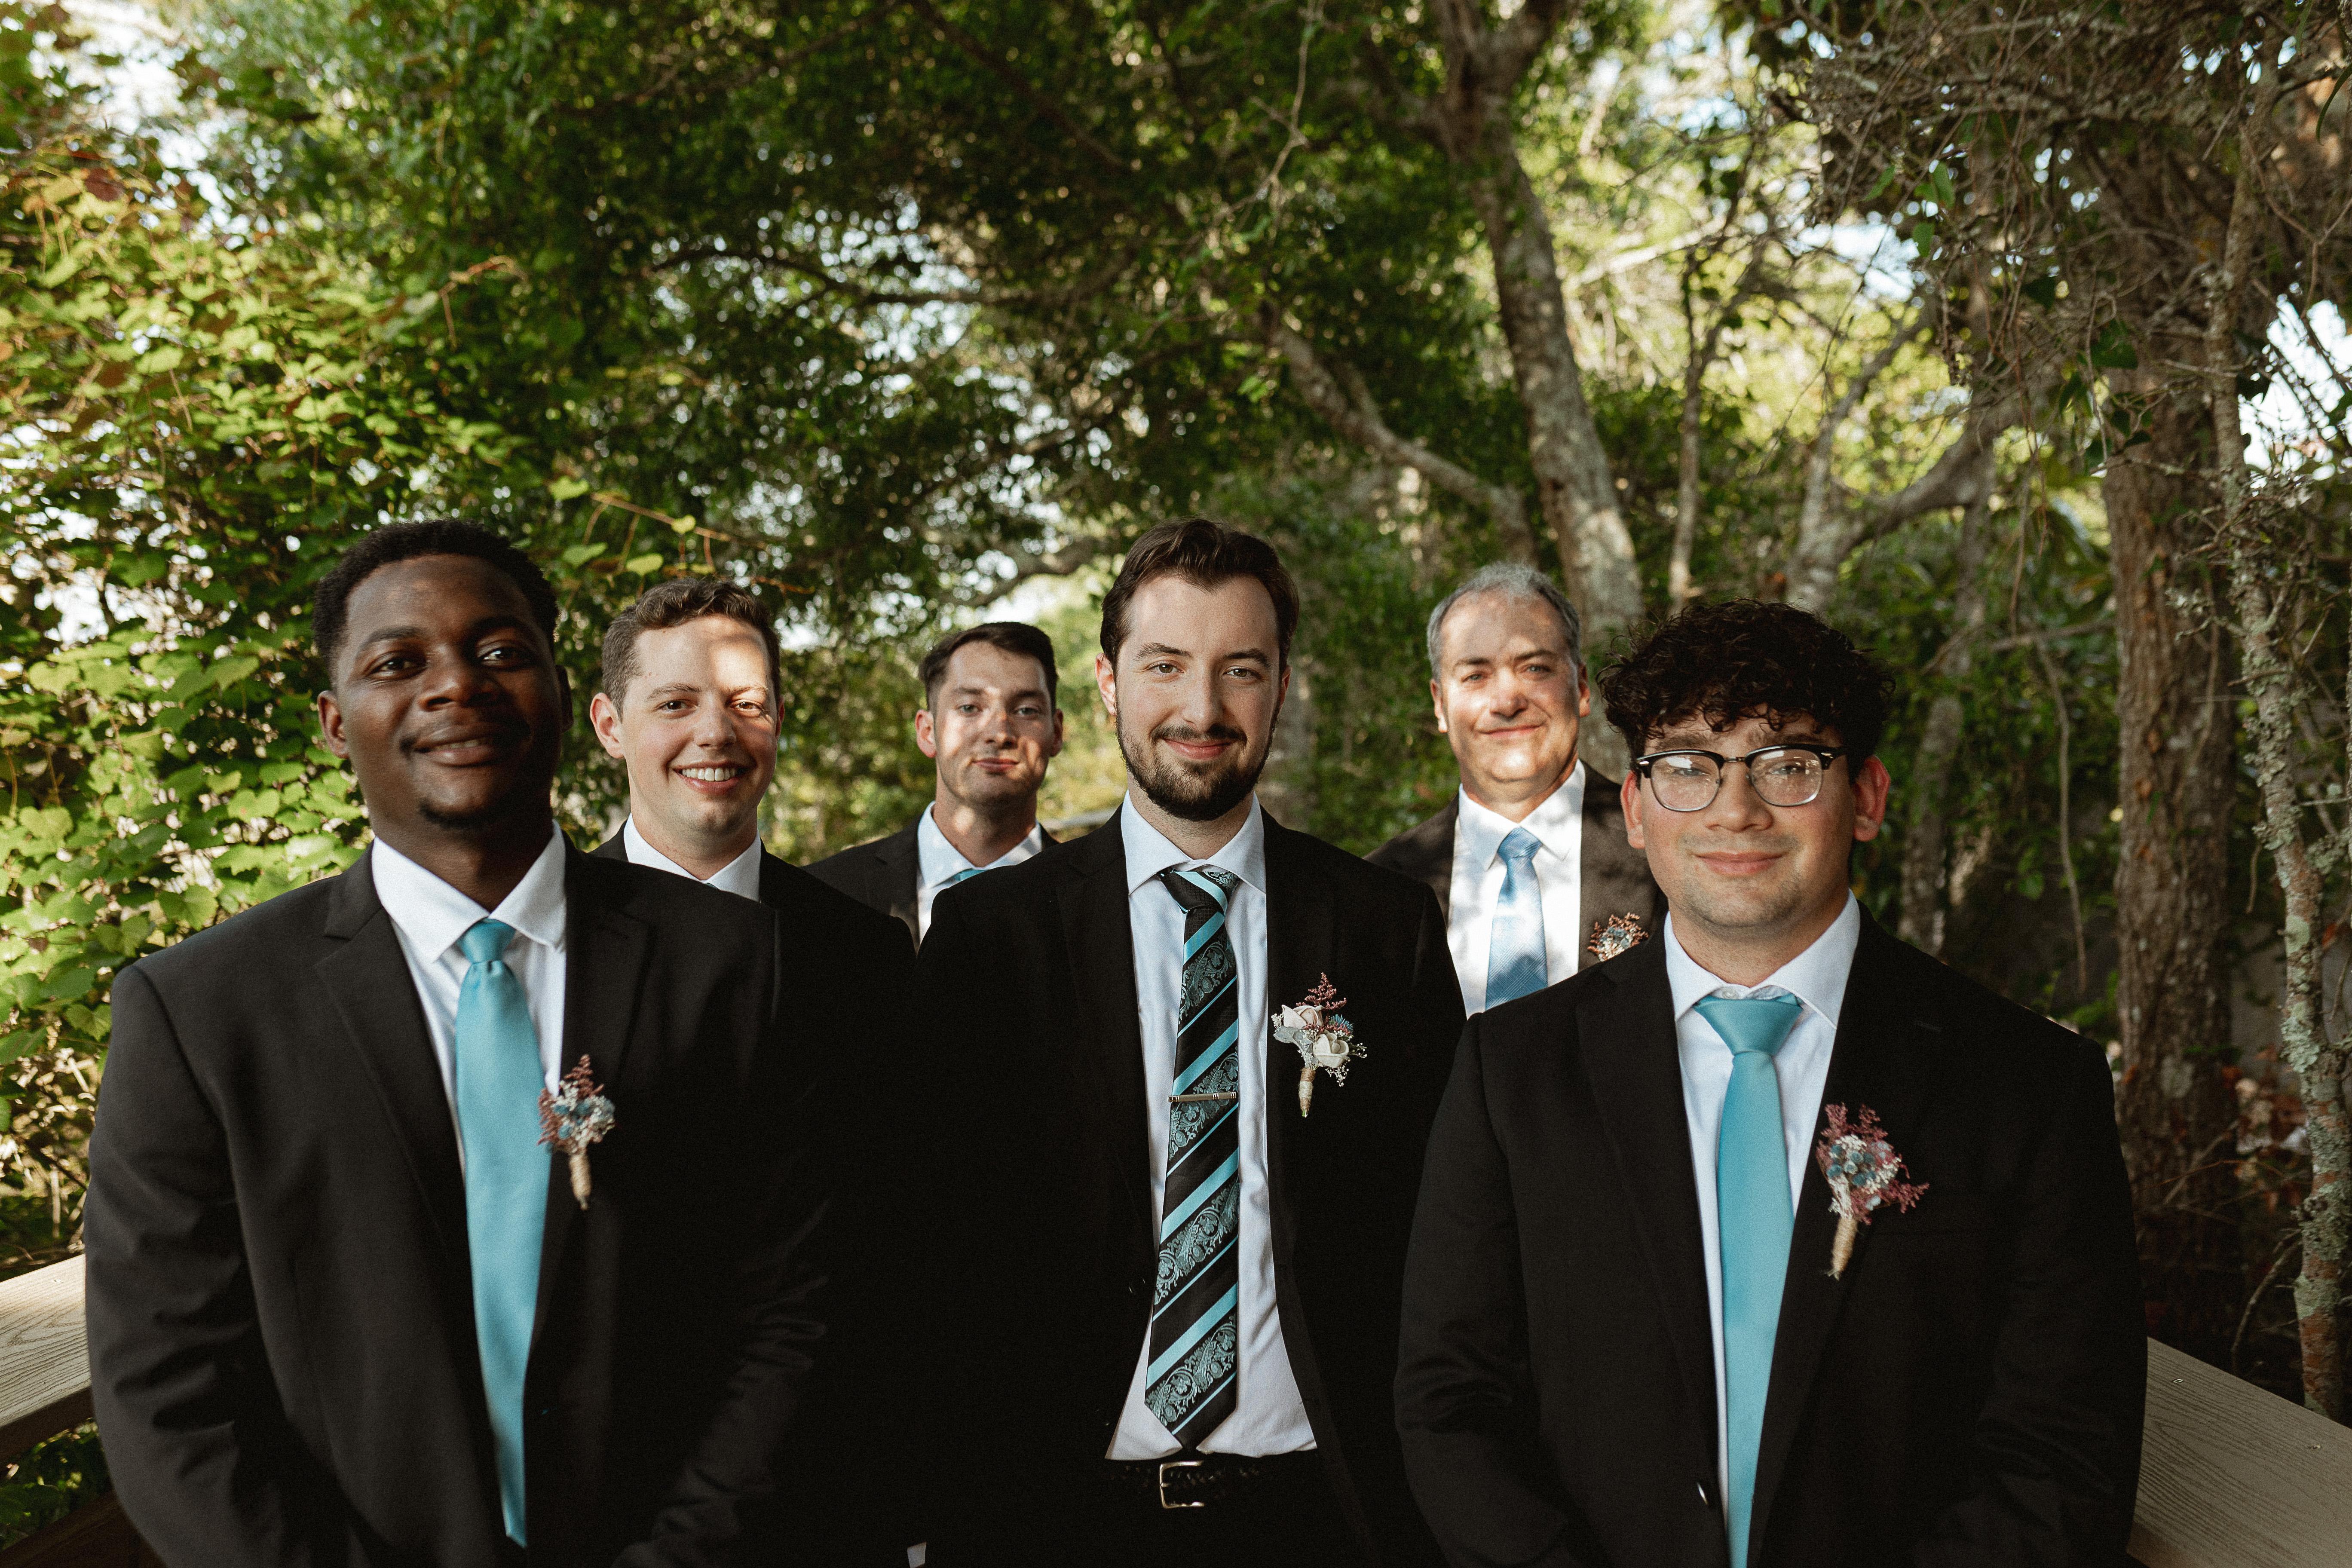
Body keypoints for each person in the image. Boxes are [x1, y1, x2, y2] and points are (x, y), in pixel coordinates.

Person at [85, 522, 830, 1568]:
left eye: (499, 651)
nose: (456, 686)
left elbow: (792, 1312)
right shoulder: (202, 1015)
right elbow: (166, 1390)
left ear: (562, 694)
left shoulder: (734, 964)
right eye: (399, 664)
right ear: (335, 722)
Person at [1395, 599, 2144, 1568]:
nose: (1735, 809)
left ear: (1866, 796)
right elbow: (1450, 1403)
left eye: (1788, 764)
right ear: (1636, 808)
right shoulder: (1512, 1073)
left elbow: (2062, 1455)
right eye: (1687, 766)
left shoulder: (2029, 1087)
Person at [914, 518, 1464, 1567]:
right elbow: (933, 1247)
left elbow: (1441, 1237)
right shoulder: (991, 939)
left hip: (1327, 1516)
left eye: (1239, 670)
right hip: (1055, 1518)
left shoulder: (1381, 926)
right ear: (1107, 683)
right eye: (1165, 666)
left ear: (1281, 687)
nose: (1202, 710)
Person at [587, 576, 916, 1564]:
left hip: (828, 1501)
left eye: (746, 702)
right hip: (606, 1506)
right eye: (675, 703)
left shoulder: (864, 956)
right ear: (609, 727)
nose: (716, 734)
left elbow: (894, 1241)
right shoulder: (544, 944)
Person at [1368, 562, 1661, 1012]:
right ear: (1440, 705)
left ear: (1582, 688)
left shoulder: (1665, 853)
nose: (1507, 702)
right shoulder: (1378, 889)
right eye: (1475, 676)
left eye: (1535, 668)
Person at [806, 622, 1063, 945]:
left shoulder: (1105, 892)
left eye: (1026, 710)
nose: (999, 733)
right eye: (969, 708)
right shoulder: (825, 894)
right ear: (927, 732)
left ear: (1056, 733)